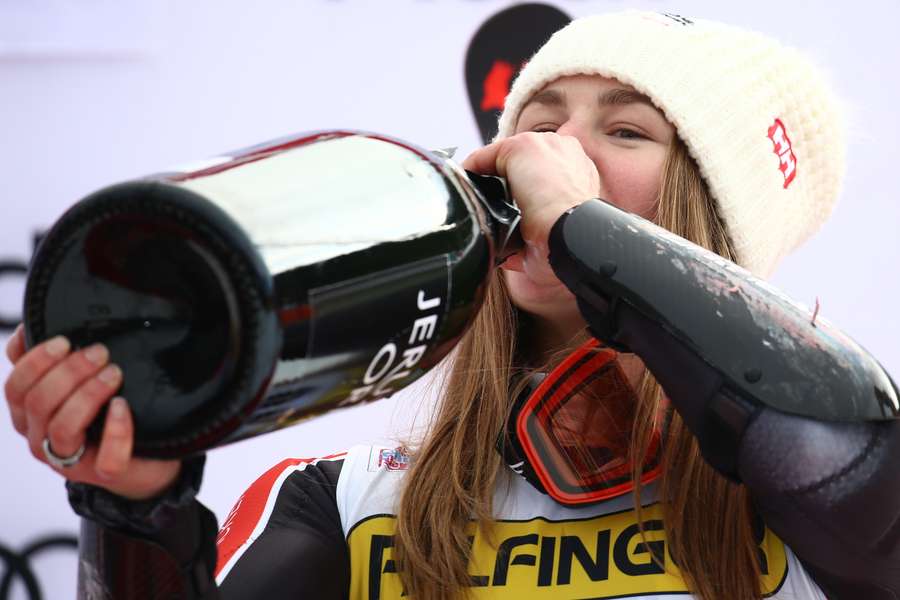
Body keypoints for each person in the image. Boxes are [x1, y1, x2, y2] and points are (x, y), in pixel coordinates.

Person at [4, 10, 899, 600]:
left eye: (626, 131)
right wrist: (134, 508)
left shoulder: (811, 490)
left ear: (710, 229)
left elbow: (848, 444)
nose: (554, 149)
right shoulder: (350, 503)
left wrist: (576, 229)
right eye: (537, 122)